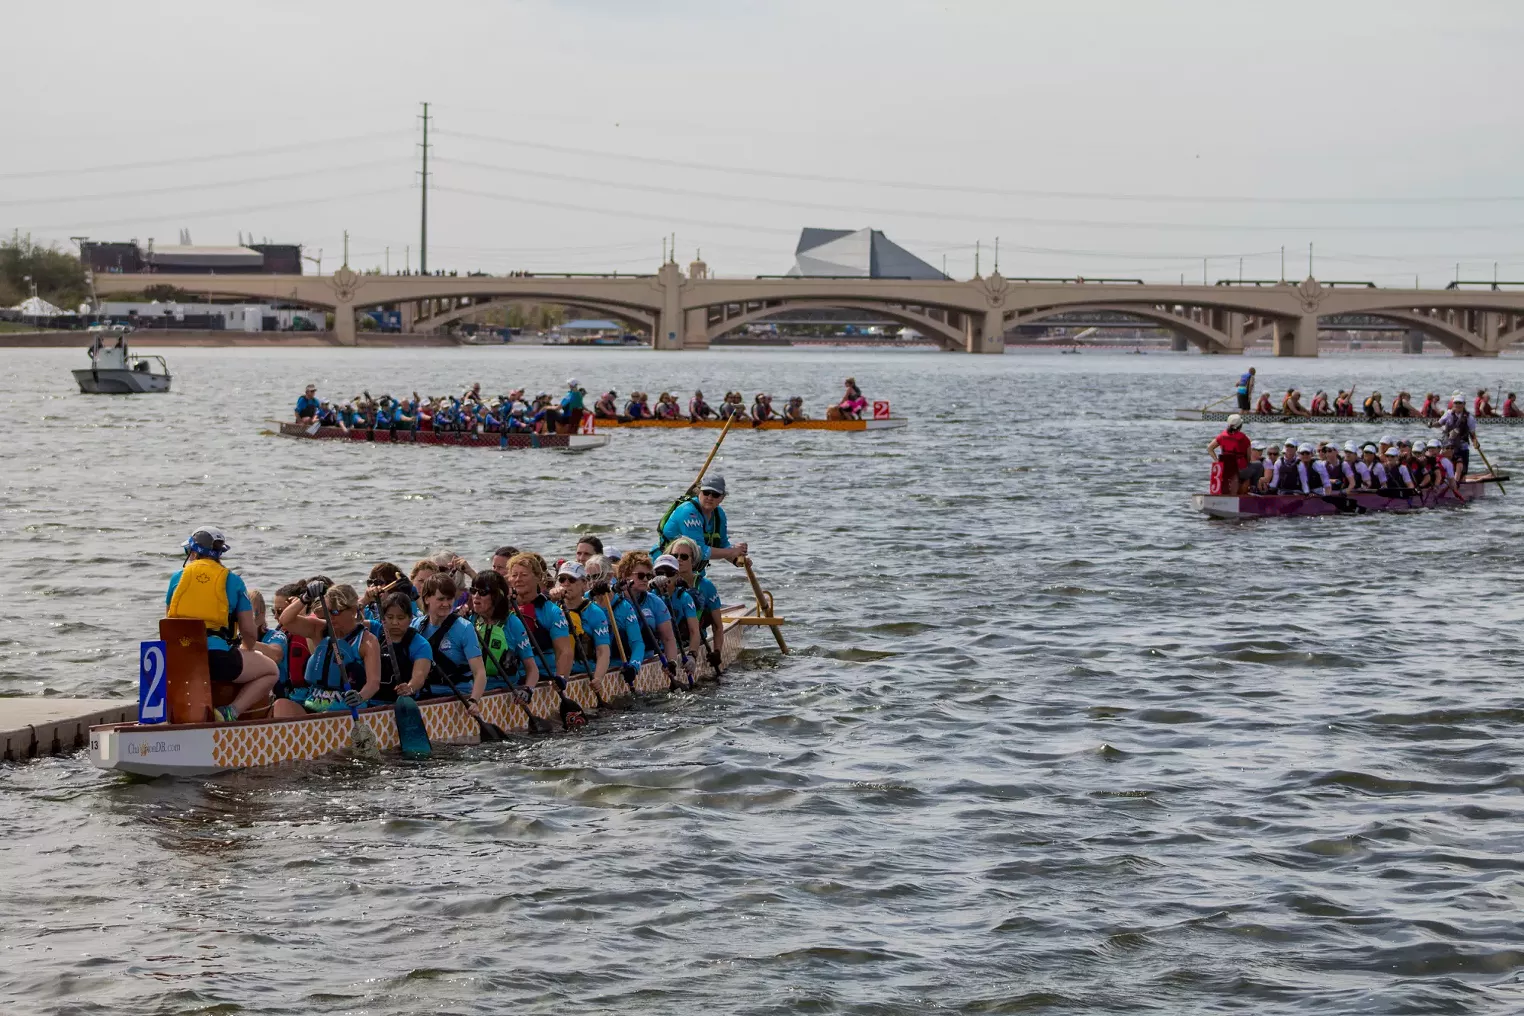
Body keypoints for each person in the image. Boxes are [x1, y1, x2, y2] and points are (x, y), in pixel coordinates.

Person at [165, 528, 280, 722]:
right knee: (271, 670)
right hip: (217, 659)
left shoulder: (177, 579)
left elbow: (168, 622)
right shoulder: (233, 581)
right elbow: (248, 631)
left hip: (180, 659)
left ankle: (177, 717)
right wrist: (249, 648)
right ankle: (230, 712)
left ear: (192, 553)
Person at [273, 583, 381, 717]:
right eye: (328, 611)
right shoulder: (320, 629)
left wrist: (360, 696)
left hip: (346, 707)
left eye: (335, 612)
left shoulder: (367, 641)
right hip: (313, 703)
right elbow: (285, 620)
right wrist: (305, 598)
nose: (331, 616)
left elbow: (373, 683)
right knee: (281, 705)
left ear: (353, 611)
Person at [412, 574, 489, 711]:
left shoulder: (465, 628)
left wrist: (474, 700)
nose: (446, 604)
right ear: (427, 598)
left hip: (458, 696)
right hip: (425, 694)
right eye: (441, 599)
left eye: (450, 599)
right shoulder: (416, 626)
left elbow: (479, 672)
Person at [504, 553, 575, 698]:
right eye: (514, 575)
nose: (518, 579)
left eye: (523, 575)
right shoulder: (504, 609)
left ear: (537, 577)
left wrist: (561, 677)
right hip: (511, 677)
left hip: (545, 676)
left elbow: (564, 651)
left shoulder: (551, 611)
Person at [466, 570, 539, 697]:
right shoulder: (468, 620)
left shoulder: (513, 623)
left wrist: (528, 690)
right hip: (471, 690)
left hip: (504, 690)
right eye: (473, 591)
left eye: (482, 592)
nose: (476, 596)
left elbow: (532, 669)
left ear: (496, 597)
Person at [655, 474, 747, 571]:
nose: (710, 497)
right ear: (699, 492)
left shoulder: (719, 514)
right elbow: (700, 551)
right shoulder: (688, 512)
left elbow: (722, 545)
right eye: (706, 493)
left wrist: (736, 558)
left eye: (715, 494)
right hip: (666, 565)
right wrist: (732, 552)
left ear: (722, 498)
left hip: (693, 568)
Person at [614, 551, 681, 678]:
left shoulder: (655, 602)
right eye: (640, 575)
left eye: (648, 576)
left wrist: (672, 662)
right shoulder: (612, 600)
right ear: (625, 575)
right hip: (616, 662)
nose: (645, 579)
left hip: (646, 660)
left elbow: (668, 638)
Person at [667, 535, 726, 673]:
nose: (679, 560)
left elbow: (717, 626)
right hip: (669, 643)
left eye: (684, 557)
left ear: (693, 561)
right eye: (675, 556)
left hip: (696, 639)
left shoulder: (706, 586)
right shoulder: (663, 583)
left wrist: (717, 652)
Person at [553, 561, 612, 685]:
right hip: (556, 672)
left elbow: (603, 651)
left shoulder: (596, 613)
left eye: (572, 580)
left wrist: (598, 678)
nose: (566, 584)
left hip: (584, 671)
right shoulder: (553, 609)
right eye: (562, 580)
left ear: (584, 584)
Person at [586, 554, 644, 673]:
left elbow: (638, 643)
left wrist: (634, 666)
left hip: (618, 665)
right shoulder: (584, 602)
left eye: (597, 576)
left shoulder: (624, 607)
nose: (592, 582)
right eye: (588, 578)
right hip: (590, 667)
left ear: (609, 576)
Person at [375, 591, 433, 701]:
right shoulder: (375, 631)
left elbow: (419, 676)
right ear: (382, 618)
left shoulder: (421, 644)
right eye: (390, 617)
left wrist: (410, 687)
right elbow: (349, 624)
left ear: (410, 619)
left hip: (405, 700)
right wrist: (365, 600)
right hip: (374, 699)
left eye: (400, 618)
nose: (395, 622)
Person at [652, 554, 700, 680]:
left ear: (677, 575)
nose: (664, 578)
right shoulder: (648, 595)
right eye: (660, 573)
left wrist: (692, 655)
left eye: (669, 573)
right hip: (654, 647)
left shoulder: (684, 597)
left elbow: (694, 631)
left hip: (678, 646)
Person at [1207, 414, 1251, 496]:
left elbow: (1209, 448)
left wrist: (1217, 461)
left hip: (1224, 468)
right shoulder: (1245, 438)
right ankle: (1241, 494)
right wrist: (1247, 464)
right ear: (1240, 426)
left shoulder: (1222, 436)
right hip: (1240, 467)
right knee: (1248, 477)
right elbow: (1248, 457)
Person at [1437, 394, 1478, 478]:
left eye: (1460, 403)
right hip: (1449, 447)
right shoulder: (1448, 414)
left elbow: (1472, 434)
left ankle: (1461, 481)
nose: (1458, 405)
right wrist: (1431, 425)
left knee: (1462, 471)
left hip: (1462, 447)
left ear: (1464, 404)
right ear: (1453, 404)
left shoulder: (1469, 418)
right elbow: (1439, 423)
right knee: (1445, 468)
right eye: (1456, 403)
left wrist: (1475, 442)